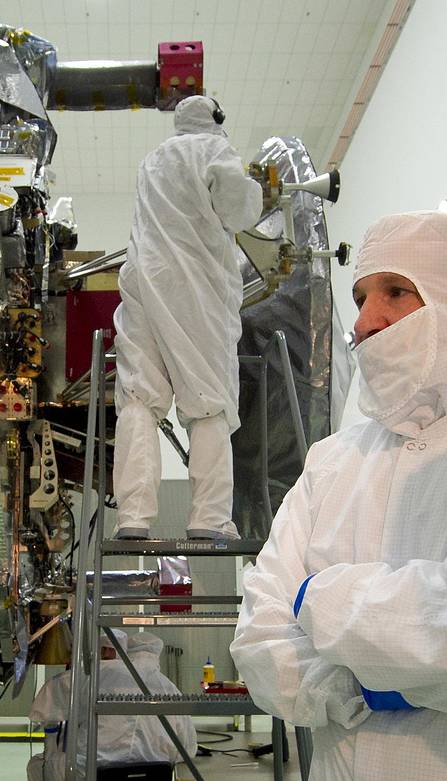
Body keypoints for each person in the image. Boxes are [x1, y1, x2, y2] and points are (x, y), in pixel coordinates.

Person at [230, 211, 447, 779]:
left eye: (397, 291)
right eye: (359, 298)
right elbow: (258, 640)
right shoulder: (332, 463)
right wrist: (358, 686)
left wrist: (320, 597)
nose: (366, 322)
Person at [112, 94, 263, 541]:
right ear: (217, 118)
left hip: (143, 279)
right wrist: (255, 186)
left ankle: (133, 517)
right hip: (194, 285)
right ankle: (210, 518)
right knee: (209, 400)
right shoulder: (214, 150)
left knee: (139, 396)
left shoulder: (152, 160)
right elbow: (240, 210)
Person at [27, 630, 197, 781]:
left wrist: (45, 717)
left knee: (37, 765)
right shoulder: (170, 689)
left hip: (91, 771)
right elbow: (188, 749)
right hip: (153, 774)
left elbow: (51, 692)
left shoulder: (97, 676)